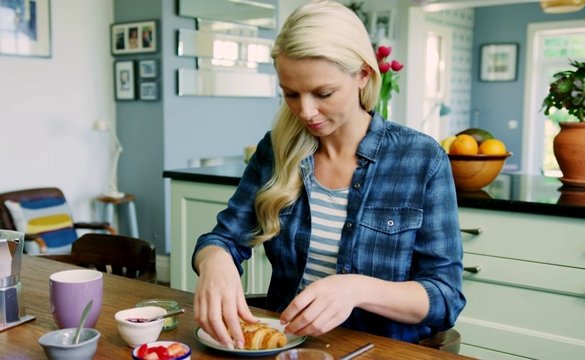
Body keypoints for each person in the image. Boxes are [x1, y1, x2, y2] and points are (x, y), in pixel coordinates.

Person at [191, 0, 466, 351]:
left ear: (363, 75)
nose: (305, 111)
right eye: (290, 94)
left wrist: (356, 288)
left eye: (323, 93)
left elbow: (445, 298)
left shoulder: (422, 159)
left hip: (379, 352)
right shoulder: (276, 150)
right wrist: (215, 259)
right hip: (287, 348)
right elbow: (224, 238)